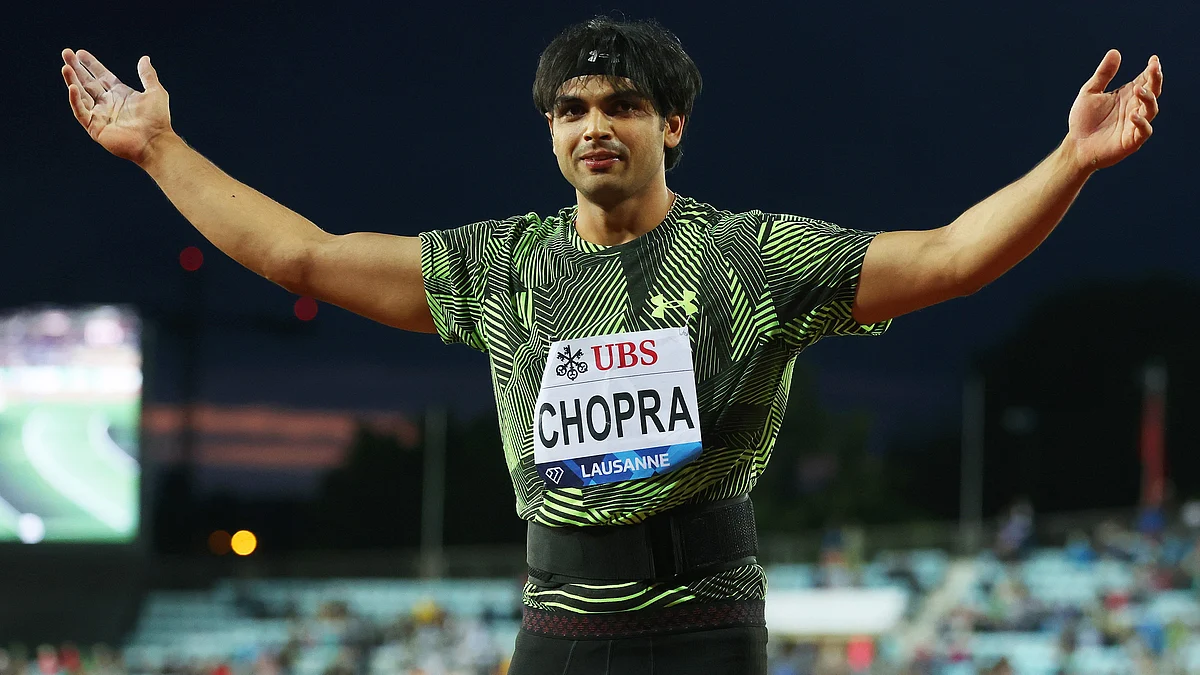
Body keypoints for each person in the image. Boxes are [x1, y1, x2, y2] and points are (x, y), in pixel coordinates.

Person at [60, 15, 1162, 675]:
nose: (594, 124)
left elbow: (951, 257)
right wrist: (160, 152)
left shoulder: (753, 258)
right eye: (572, 107)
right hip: (559, 631)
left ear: (670, 124)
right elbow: (302, 256)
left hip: (708, 626)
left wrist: (1067, 164)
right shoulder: (497, 267)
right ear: (548, 129)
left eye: (623, 104)